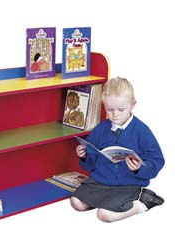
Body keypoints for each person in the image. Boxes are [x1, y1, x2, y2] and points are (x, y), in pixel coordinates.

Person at [70, 77, 165, 222]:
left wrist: (139, 168)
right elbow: (90, 163)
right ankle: (105, 202)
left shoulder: (142, 131)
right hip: (100, 182)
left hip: (128, 184)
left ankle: (141, 204)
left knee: (105, 215)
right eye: (109, 109)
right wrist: (83, 156)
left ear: (133, 105)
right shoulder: (101, 129)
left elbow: (157, 161)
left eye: (121, 109)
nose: (115, 115)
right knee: (76, 203)